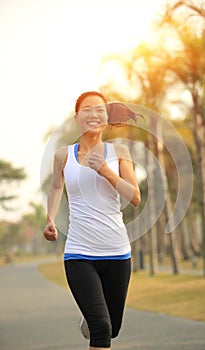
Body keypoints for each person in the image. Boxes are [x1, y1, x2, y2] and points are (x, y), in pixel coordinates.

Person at [43, 91, 141, 350]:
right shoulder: (63, 155)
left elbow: (135, 197)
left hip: (117, 252)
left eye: (99, 109)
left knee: (112, 327)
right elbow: (56, 187)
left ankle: (90, 321)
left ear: (107, 117)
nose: (93, 114)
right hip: (79, 253)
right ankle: (95, 321)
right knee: (102, 328)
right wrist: (50, 219)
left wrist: (106, 171)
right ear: (77, 117)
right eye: (87, 109)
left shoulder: (118, 152)